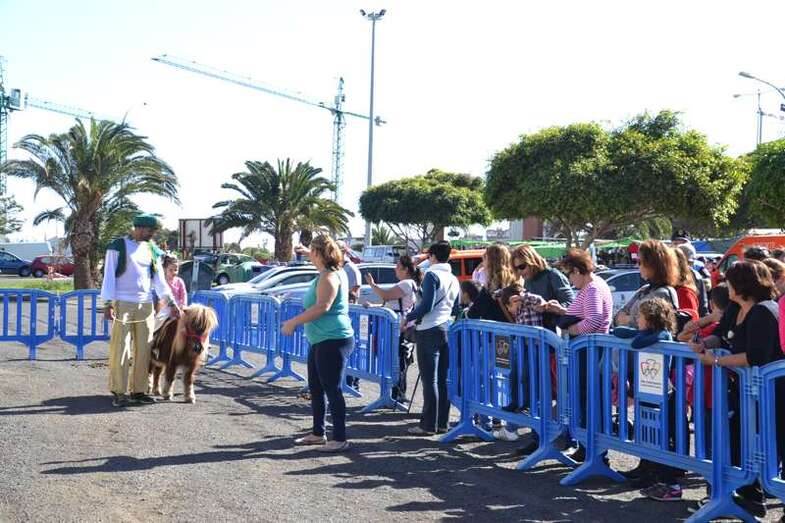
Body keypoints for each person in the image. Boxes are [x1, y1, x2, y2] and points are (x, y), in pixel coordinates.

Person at [688, 261, 785, 517]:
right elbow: (721, 335)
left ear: (741, 285)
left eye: (729, 281)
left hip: (774, 392)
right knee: (739, 442)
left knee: (777, 444)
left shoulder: (764, 311)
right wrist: (703, 344)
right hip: (745, 391)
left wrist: (717, 361)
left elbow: (756, 356)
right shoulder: (735, 307)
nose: (724, 285)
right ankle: (748, 497)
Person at [282, 234, 355, 453]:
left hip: (332, 339)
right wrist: (307, 250)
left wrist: (293, 322)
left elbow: (323, 306)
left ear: (317, 253)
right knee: (316, 388)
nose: (309, 256)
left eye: (311, 252)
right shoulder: (329, 271)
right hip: (320, 340)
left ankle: (339, 438)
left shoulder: (329, 276)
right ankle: (317, 433)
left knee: (332, 389)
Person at [100, 214, 179, 408]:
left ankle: (139, 391)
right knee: (121, 348)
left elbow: (159, 279)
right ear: (139, 228)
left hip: (145, 304)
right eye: (150, 231)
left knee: (145, 348)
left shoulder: (152, 249)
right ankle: (119, 391)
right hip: (123, 302)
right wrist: (107, 303)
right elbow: (108, 276)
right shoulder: (118, 246)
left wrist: (171, 302)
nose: (152, 234)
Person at [510, 244, 574, 456]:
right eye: (516, 268)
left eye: (522, 266)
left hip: (553, 344)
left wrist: (548, 306)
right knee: (536, 391)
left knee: (559, 391)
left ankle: (567, 439)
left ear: (532, 260)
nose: (520, 272)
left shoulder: (552, 276)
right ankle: (537, 437)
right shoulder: (529, 280)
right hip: (534, 343)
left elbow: (571, 303)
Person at [405, 241, 460, 436]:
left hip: (428, 328)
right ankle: (442, 423)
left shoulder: (432, 275)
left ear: (433, 256)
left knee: (430, 380)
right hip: (446, 328)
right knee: (443, 380)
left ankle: (428, 425)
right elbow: (456, 308)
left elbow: (426, 306)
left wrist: (409, 317)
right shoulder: (453, 278)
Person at [365, 255, 422, 403]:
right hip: (399, 326)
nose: (395, 269)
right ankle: (396, 394)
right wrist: (374, 306)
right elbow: (391, 304)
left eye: (398, 266)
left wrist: (372, 284)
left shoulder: (406, 283)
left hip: (399, 328)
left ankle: (398, 395)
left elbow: (386, 296)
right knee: (398, 360)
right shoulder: (408, 283)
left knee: (398, 361)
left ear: (405, 269)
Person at [548, 249, 613, 336]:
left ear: (576, 271)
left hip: (588, 343)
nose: (569, 280)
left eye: (568, 275)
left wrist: (568, 331)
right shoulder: (595, 284)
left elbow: (593, 322)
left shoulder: (592, 289)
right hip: (590, 342)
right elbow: (585, 314)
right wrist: (561, 311)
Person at [614, 240, 679, 328]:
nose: (637, 266)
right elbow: (617, 317)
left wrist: (628, 319)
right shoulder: (644, 289)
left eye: (640, 262)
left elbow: (644, 324)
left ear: (652, 264)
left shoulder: (663, 293)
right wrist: (629, 319)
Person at [466, 245, 518, 323]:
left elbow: (472, 314)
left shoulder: (489, 289)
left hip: (495, 330)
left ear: (489, 264)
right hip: (516, 329)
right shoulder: (516, 282)